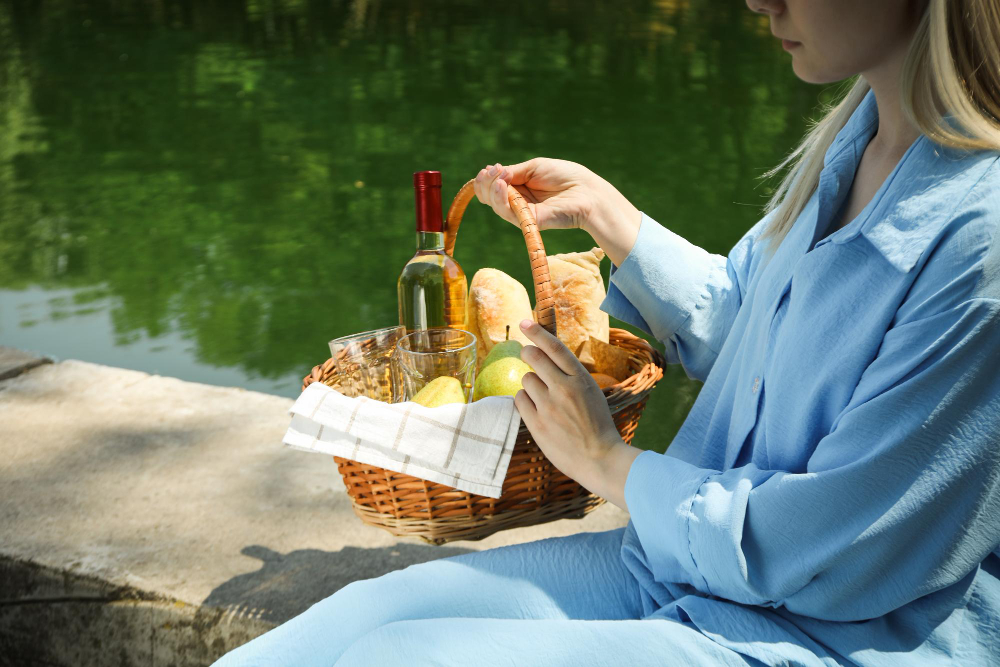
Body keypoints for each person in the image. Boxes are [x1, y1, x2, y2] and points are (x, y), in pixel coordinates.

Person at [215, 0, 1000, 664]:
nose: (759, 2)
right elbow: (760, 334)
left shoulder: (979, 236)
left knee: (402, 657)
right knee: (348, 625)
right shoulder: (855, 138)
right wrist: (606, 215)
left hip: (827, 635)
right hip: (684, 568)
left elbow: (833, 547)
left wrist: (606, 461)